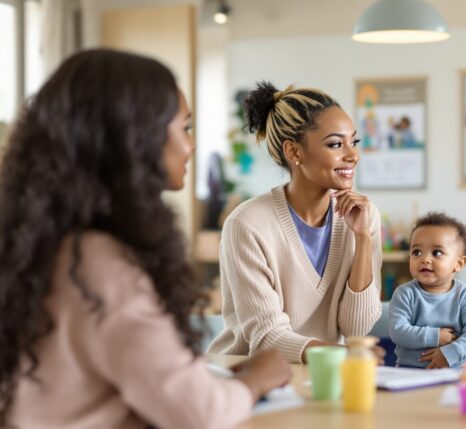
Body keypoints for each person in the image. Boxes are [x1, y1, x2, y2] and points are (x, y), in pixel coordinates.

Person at [0, 49, 291, 428]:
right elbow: (200, 415)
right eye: (184, 128)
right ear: (137, 137)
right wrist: (258, 378)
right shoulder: (99, 264)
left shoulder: (43, 242)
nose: (192, 145)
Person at [208, 81, 383, 364]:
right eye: (336, 144)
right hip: (244, 378)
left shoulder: (363, 215)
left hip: (321, 376)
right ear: (294, 152)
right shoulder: (247, 224)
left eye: (354, 141)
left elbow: (356, 329)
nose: (352, 155)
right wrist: (347, 355)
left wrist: (363, 239)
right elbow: (267, 339)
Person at [389, 212, 466, 369]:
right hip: (412, 373)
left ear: (459, 263)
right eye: (417, 252)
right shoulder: (404, 294)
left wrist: (449, 354)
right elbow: (398, 332)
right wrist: (435, 336)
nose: (425, 259)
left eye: (437, 253)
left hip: (460, 370)